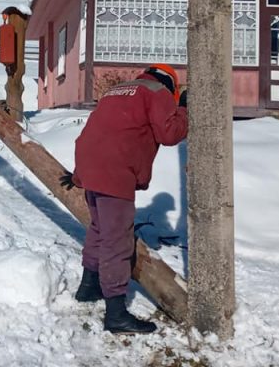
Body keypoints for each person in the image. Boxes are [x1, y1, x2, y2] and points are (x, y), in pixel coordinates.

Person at [61, 63, 188, 335]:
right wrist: (185, 111)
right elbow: (169, 134)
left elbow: (101, 131)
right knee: (117, 240)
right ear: (172, 86)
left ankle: (88, 287)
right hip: (114, 169)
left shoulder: (116, 91)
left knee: (99, 229)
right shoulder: (157, 92)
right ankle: (116, 314)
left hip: (89, 164)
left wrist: (79, 174)